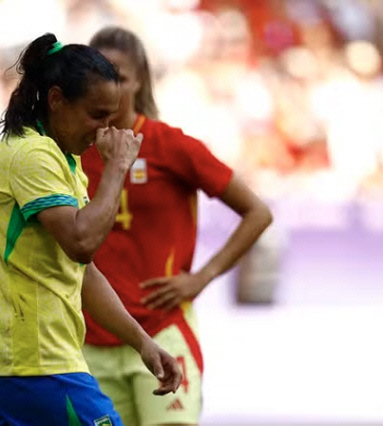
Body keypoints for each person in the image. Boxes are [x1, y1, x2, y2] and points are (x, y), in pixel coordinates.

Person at [0, 33, 182, 425]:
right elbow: (82, 243)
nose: (104, 131)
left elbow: (83, 272)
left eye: (111, 118)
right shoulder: (32, 154)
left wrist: (143, 344)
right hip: (35, 363)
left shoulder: (62, 157)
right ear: (56, 99)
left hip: (7, 362)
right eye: (96, 115)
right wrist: (118, 168)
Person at [80, 26, 274, 426]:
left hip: (163, 327)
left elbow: (258, 212)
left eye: (119, 75)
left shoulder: (172, 146)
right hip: (89, 338)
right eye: (97, 75)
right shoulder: (71, 153)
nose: (109, 87)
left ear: (140, 81)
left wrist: (201, 278)